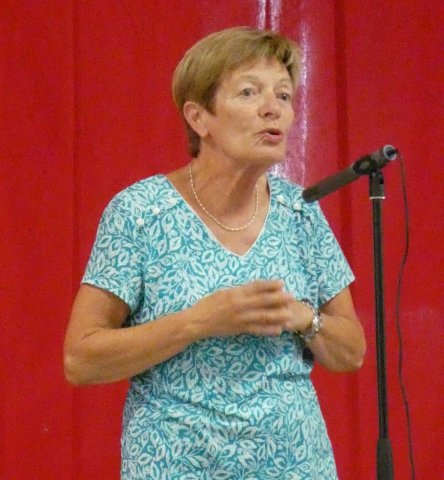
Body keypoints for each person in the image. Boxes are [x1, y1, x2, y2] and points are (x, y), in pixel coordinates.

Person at [64, 26, 366, 480]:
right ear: (199, 118)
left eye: (284, 95)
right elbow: (80, 359)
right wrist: (200, 322)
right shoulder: (141, 213)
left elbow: (352, 352)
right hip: (176, 463)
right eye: (249, 92)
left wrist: (303, 316)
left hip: (294, 463)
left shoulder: (300, 212)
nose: (273, 108)